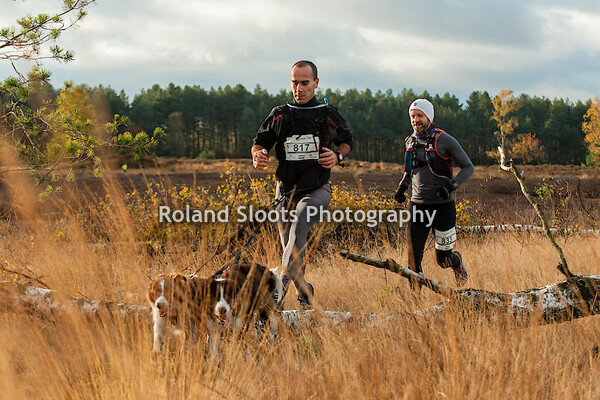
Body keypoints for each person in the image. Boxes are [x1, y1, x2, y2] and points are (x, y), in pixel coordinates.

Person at [251, 60, 353, 309]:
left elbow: (347, 142)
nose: (299, 88)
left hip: (316, 190)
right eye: (294, 83)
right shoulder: (280, 114)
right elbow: (259, 141)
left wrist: (337, 156)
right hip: (284, 192)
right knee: (290, 247)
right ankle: (305, 293)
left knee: (298, 226)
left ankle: (278, 294)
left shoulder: (328, 113)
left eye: (304, 83)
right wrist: (258, 154)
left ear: (316, 83)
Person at [394, 99, 474, 287]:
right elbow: (409, 170)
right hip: (418, 207)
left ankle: (456, 262)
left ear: (429, 117)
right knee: (413, 260)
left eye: (420, 116)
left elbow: (468, 167)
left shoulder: (445, 140)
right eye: (412, 116)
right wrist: (402, 187)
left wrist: (451, 186)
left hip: (443, 207)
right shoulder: (410, 141)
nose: (415, 120)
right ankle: (415, 300)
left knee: (443, 260)